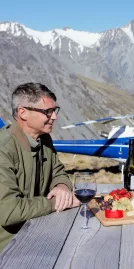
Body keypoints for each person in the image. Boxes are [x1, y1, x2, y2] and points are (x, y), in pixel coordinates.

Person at [0, 83, 80, 252]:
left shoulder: (44, 140)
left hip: (36, 232)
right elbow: (9, 211)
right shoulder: (3, 149)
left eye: (54, 110)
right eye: (47, 112)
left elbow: (58, 171)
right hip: (7, 249)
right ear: (23, 113)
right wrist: (55, 203)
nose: (54, 117)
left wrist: (62, 187)